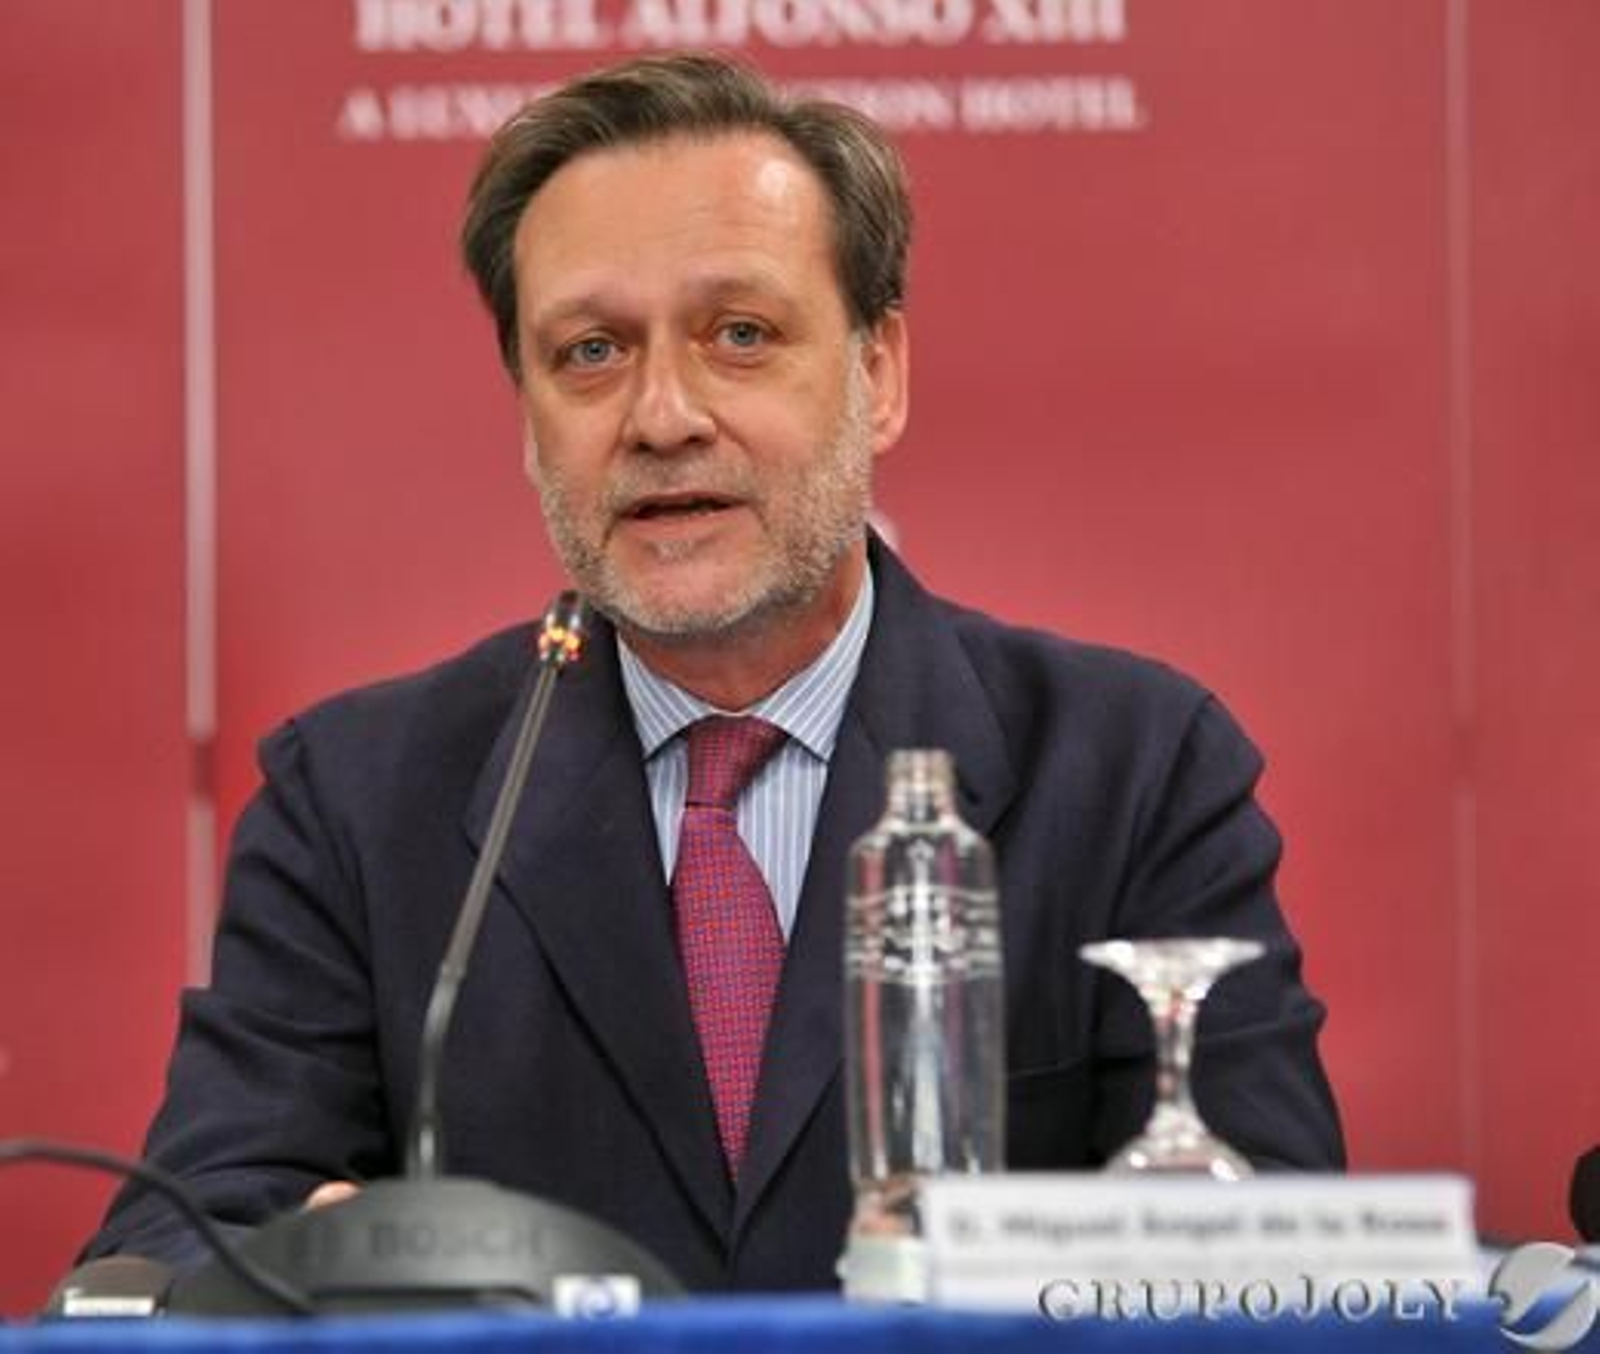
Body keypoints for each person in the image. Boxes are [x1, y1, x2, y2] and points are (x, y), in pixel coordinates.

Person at [83, 52, 1343, 1292]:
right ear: (527, 413)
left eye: (739, 334)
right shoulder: (355, 800)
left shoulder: (1132, 769)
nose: (661, 413)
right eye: (589, 352)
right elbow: (168, 1246)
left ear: (877, 373)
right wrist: (314, 1261)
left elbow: (1275, 1261)